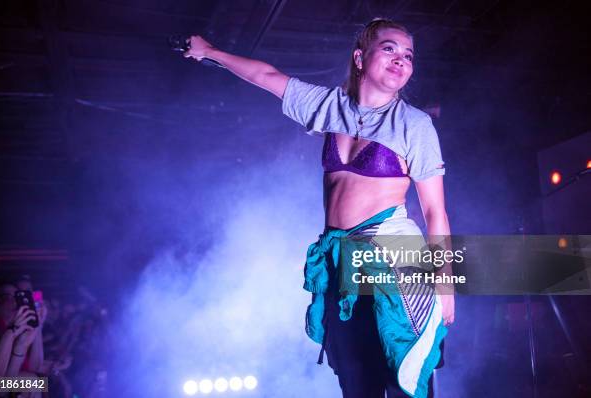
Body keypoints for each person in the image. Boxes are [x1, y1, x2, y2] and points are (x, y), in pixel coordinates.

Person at [184, 18, 455, 398]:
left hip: (395, 261)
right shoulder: (331, 107)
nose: (401, 60)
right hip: (340, 263)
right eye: (389, 49)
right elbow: (266, 75)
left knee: (404, 380)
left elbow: (435, 211)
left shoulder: (415, 124)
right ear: (360, 58)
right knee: (356, 380)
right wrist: (209, 51)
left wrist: (445, 283)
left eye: (408, 55)